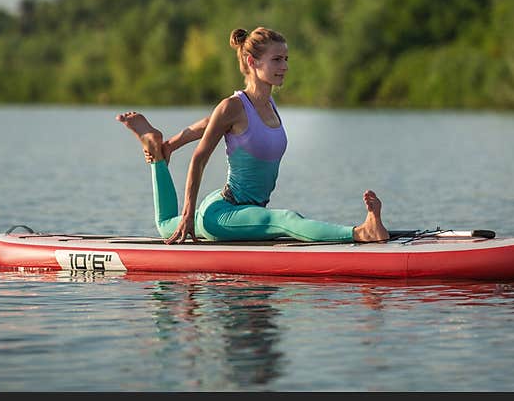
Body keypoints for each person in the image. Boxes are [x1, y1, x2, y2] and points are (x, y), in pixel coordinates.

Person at [116, 26, 389, 245]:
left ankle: (155, 148)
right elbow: (199, 159)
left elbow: (208, 123)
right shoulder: (233, 106)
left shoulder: (267, 104)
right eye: (277, 59)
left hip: (245, 211)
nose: (285, 66)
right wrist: (188, 214)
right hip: (223, 213)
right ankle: (362, 233)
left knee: (167, 227)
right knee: (283, 219)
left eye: (286, 59)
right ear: (252, 61)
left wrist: (171, 144)